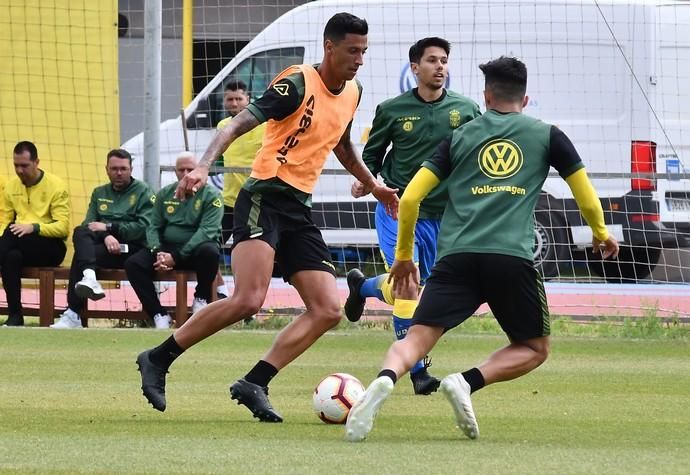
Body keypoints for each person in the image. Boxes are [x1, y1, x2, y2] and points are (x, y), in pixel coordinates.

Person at [136, 12, 399, 420]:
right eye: (352, 50)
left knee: (328, 309)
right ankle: (159, 356)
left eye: (364, 51)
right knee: (249, 299)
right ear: (329, 47)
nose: (360, 59)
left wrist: (375, 184)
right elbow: (237, 124)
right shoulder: (296, 82)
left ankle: (255, 381)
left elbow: (342, 143)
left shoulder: (353, 91)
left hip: (298, 208)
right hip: (263, 198)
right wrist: (204, 165)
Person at [344, 56, 620, 442]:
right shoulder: (547, 134)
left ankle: (384, 380)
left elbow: (409, 201)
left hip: (456, 257)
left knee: (417, 338)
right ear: (526, 99)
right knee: (534, 348)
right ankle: (465, 381)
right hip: (511, 257)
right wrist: (600, 232)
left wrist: (404, 256)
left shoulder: (461, 136)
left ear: (486, 96)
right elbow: (583, 192)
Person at [344, 37, 481, 395]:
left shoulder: (466, 110)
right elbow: (371, 157)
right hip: (398, 210)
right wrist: (366, 183)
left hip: (444, 216)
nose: (440, 66)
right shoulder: (391, 109)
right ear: (415, 68)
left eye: (444, 61)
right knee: (409, 286)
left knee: (422, 289)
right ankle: (418, 372)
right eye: (432, 60)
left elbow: (477, 157)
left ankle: (362, 287)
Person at [50, 148, 155, 329]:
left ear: (131, 169)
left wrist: (109, 228)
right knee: (80, 232)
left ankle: (73, 313)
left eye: (123, 168)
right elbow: (89, 224)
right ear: (106, 169)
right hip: (105, 248)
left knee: (82, 258)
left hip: (131, 250)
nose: (119, 173)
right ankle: (88, 278)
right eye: (114, 169)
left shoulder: (144, 192)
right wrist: (106, 236)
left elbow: (143, 230)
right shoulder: (99, 192)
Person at [124, 152, 223, 329]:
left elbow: (206, 232)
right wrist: (158, 251)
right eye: (181, 169)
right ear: (175, 172)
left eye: (190, 169)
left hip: (195, 249)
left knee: (210, 252)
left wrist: (176, 257)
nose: (186, 174)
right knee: (133, 264)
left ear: (198, 171)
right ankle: (158, 314)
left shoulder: (212, 195)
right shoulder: (165, 194)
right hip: (167, 248)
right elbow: (153, 226)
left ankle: (201, 298)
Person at [0, 141, 71, 326]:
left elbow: (63, 228)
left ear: (36, 162)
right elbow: (5, 222)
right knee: (11, 257)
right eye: (16, 165)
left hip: (51, 247)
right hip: (19, 245)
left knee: (11, 236)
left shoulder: (56, 186)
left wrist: (34, 228)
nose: (20, 170)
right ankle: (15, 316)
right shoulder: (11, 187)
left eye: (24, 165)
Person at [215, 79, 267, 299]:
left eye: (239, 98)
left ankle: (245, 298)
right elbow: (219, 160)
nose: (234, 102)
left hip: (255, 201)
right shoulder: (222, 126)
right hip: (228, 202)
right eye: (230, 99)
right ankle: (220, 290)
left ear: (248, 99)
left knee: (246, 253)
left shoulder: (264, 125)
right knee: (207, 248)